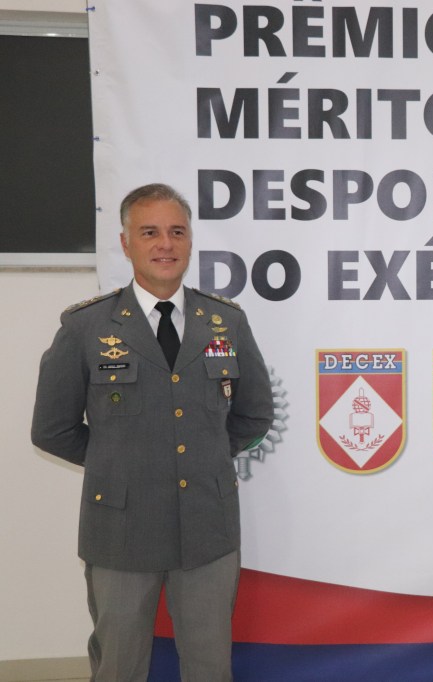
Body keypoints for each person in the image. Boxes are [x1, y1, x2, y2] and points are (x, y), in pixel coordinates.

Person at [31, 183, 274, 681]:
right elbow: (52, 429)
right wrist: (118, 462)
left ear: (190, 241)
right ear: (126, 243)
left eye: (177, 232)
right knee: (119, 665)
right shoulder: (86, 327)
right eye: (149, 232)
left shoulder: (225, 322)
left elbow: (254, 415)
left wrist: (204, 456)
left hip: (207, 527)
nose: (165, 244)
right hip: (120, 529)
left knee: (210, 666)